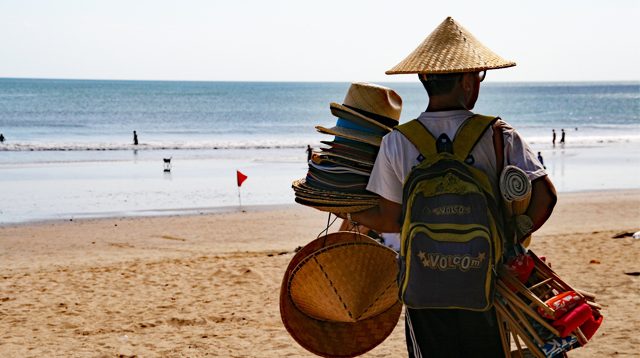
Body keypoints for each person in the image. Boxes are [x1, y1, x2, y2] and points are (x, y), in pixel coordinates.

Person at [337, 17, 557, 357]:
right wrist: (512, 235)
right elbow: (545, 197)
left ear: (424, 78)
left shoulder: (398, 141)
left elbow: (391, 220)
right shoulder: (499, 135)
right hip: (487, 281)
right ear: (468, 81)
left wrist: (343, 207)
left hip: (425, 288)